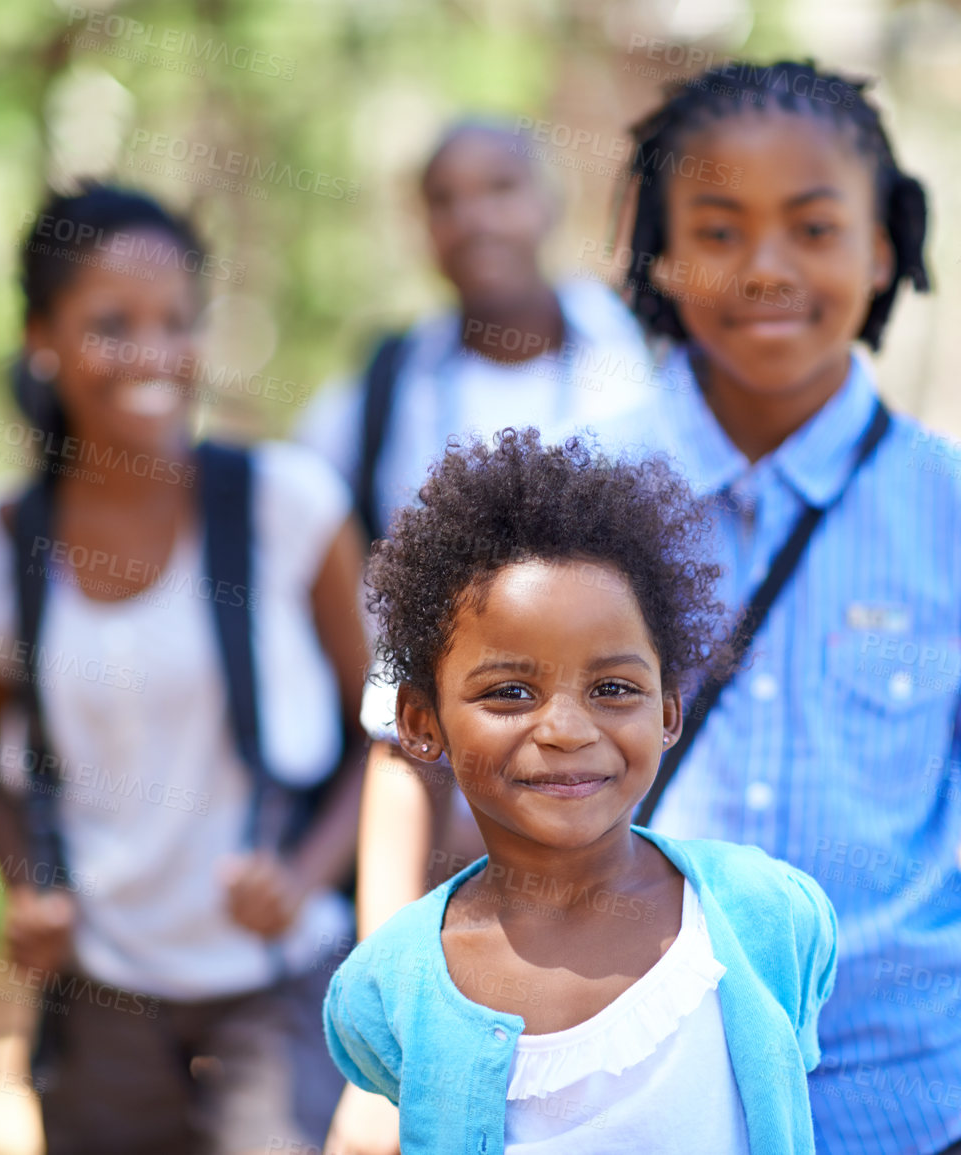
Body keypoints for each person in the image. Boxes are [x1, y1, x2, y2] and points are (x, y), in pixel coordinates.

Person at [341, 60, 961, 1155]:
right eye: (721, 228)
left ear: (885, 247)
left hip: (917, 1102)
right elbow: (402, 754)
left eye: (815, 227)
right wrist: (388, 1055)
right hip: (625, 1102)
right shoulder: (564, 485)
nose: (767, 269)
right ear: (658, 249)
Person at [0, 183, 369, 1154]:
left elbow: (387, 729)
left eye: (177, 322)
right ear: (42, 337)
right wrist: (24, 887)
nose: (154, 354)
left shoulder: (288, 506)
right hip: (101, 990)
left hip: (271, 980)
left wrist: (305, 874)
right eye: (112, 324)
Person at [323, 429, 839, 1155]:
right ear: (420, 720)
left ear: (667, 713)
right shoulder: (389, 987)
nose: (566, 728)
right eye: (509, 691)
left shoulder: (769, 917)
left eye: (612, 688)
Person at [300, 119, 661, 1151]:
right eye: (445, 198)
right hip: (427, 831)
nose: (474, 219)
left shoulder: (642, 377)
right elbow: (311, 565)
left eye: (500, 187)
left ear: (548, 204)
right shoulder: (378, 392)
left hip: (607, 839)